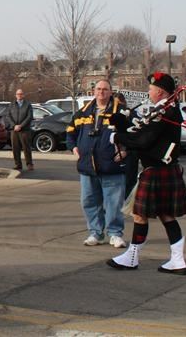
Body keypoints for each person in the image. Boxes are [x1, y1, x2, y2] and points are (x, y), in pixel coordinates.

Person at [108, 72, 186, 275]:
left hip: (157, 170)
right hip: (158, 170)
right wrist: (123, 125)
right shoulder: (165, 110)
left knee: (143, 215)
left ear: (160, 91)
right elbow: (143, 134)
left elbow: (145, 141)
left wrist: (118, 136)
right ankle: (175, 260)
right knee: (164, 216)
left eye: (151, 89)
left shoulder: (166, 113)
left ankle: (135, 257)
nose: (149, 92)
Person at [66, 80, 126, 248]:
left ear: (111, 92)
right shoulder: (82, 113)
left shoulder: (122, 113)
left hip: (112, 167)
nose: (101, 92)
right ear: (93, 91)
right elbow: (70, 133)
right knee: (89, 201)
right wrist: (74, 148)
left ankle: (115, 234)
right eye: (98, 89)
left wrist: (126, 151)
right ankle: (95, 233)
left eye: (105, 89)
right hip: (87, 167)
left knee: (113, 203)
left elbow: (135, 135)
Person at [4, 89, 34, 171]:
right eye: (18, 94)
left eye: (21, 94)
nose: (19, 95)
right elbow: (8, 116)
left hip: (25, 130)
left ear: (23, 95)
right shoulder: (12, 105)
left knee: (26, 148)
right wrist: (14, 126)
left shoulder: (28, 105)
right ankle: (18, 164)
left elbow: (29, 117)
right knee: (15, 148)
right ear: (15, 95)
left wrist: (21, 125)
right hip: (14, 130)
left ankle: (29, 164)